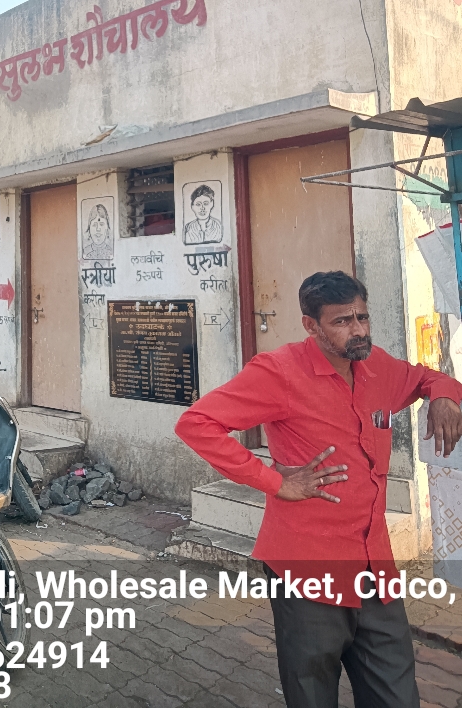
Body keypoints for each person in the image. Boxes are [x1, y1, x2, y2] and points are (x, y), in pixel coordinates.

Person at [175, 271, 462, 708]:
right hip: (306, 571)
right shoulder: (278, 371)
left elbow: (427, 377)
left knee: (397, 696)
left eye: (362, 317)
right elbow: (197, 423)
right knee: (312, 695)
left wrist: (444, 395)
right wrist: (275, 482)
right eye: (342, 321)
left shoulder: (378, 367)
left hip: (374, 570)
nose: (358, 330)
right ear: (311, 325)